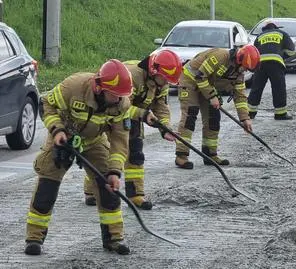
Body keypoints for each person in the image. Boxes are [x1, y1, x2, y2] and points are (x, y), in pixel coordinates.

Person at [25, 59, 153, 255]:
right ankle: (34, 238)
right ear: (99, 87)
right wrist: (57, 130)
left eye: (121, 96)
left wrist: (114, 171)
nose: (118, 99)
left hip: (94, 141)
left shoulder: (121, 103)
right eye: (115, 95)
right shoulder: (73, 86)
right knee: (47, 187)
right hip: (63, 137)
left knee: (108, 189)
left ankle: (114, 238)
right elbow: (46, 105)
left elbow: (119, 140)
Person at [83, 50, 182, 210]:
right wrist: (143, 114)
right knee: (106, 154)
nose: (165, 83)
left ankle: (135, 194)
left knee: (136, 154)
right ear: (154, 71)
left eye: (168, 81)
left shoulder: (161, 82)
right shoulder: (132, 76)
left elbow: (161, 106)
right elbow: (119, 106)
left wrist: (164, 127)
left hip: (137, 117)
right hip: (112, 116)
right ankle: (92, 191)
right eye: (164, 79)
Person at [174, 45, 259, 169]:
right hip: (190, 81)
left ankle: (210, 154)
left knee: (213, 117)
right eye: (245, 67)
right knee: (190, 117)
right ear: (239, 59)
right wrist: (212, 96)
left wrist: (245, 118)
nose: (245, 71)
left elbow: (240, 96)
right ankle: (181, 156)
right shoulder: (220, 56)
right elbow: (200, 76)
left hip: (206, 85)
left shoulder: (238, 73)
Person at [247, 20, 295, 120]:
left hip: (261, 64)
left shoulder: (260, 36)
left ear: (265, 28)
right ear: (276, 27)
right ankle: (280, 113)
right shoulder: (282, 34)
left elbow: (254, 52)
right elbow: (292, 51)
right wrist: (281, 56)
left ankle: (250, 113)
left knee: (256, 87)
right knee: (278, 88)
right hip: (275, 63)